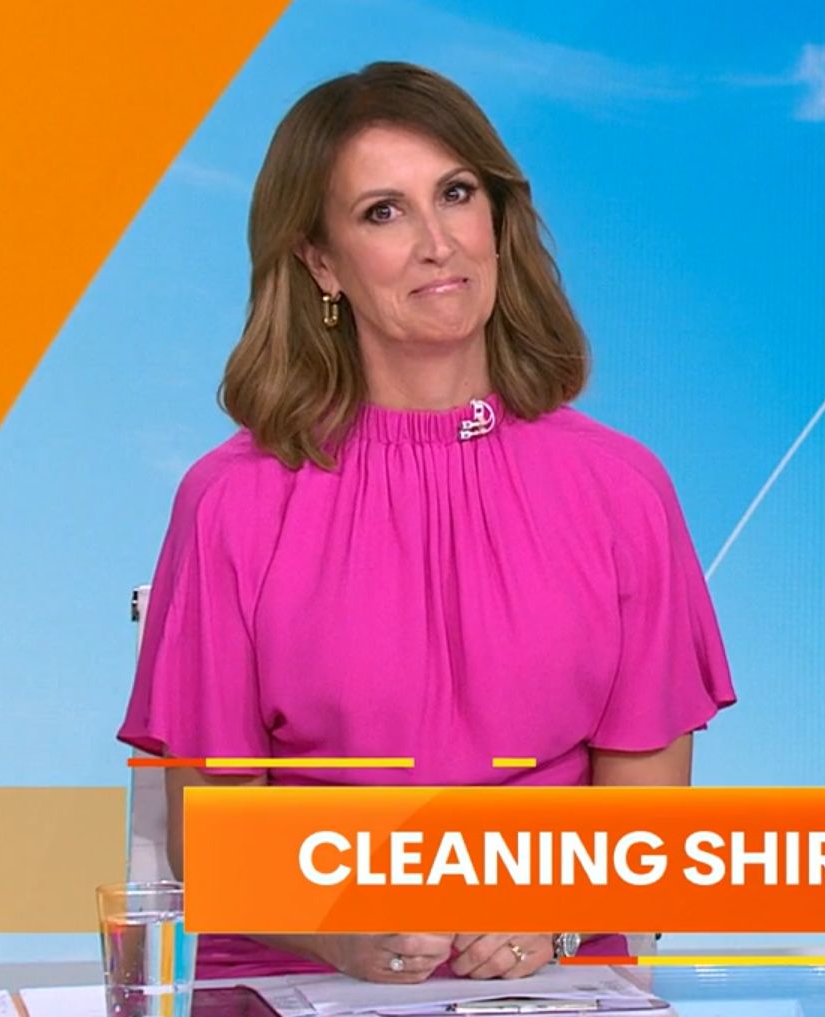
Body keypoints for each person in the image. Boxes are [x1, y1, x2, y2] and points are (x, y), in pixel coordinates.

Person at [118, 62, 735, 982]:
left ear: (498, 221)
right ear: (320, 261)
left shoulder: (621, 488)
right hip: (297, 977)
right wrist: (339, 935)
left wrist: (552, 919)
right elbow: (214, 841)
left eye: (455, 194)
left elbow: (648, 830)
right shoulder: (231, 502)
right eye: (383, 212)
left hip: (550, 978)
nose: (437, 243)